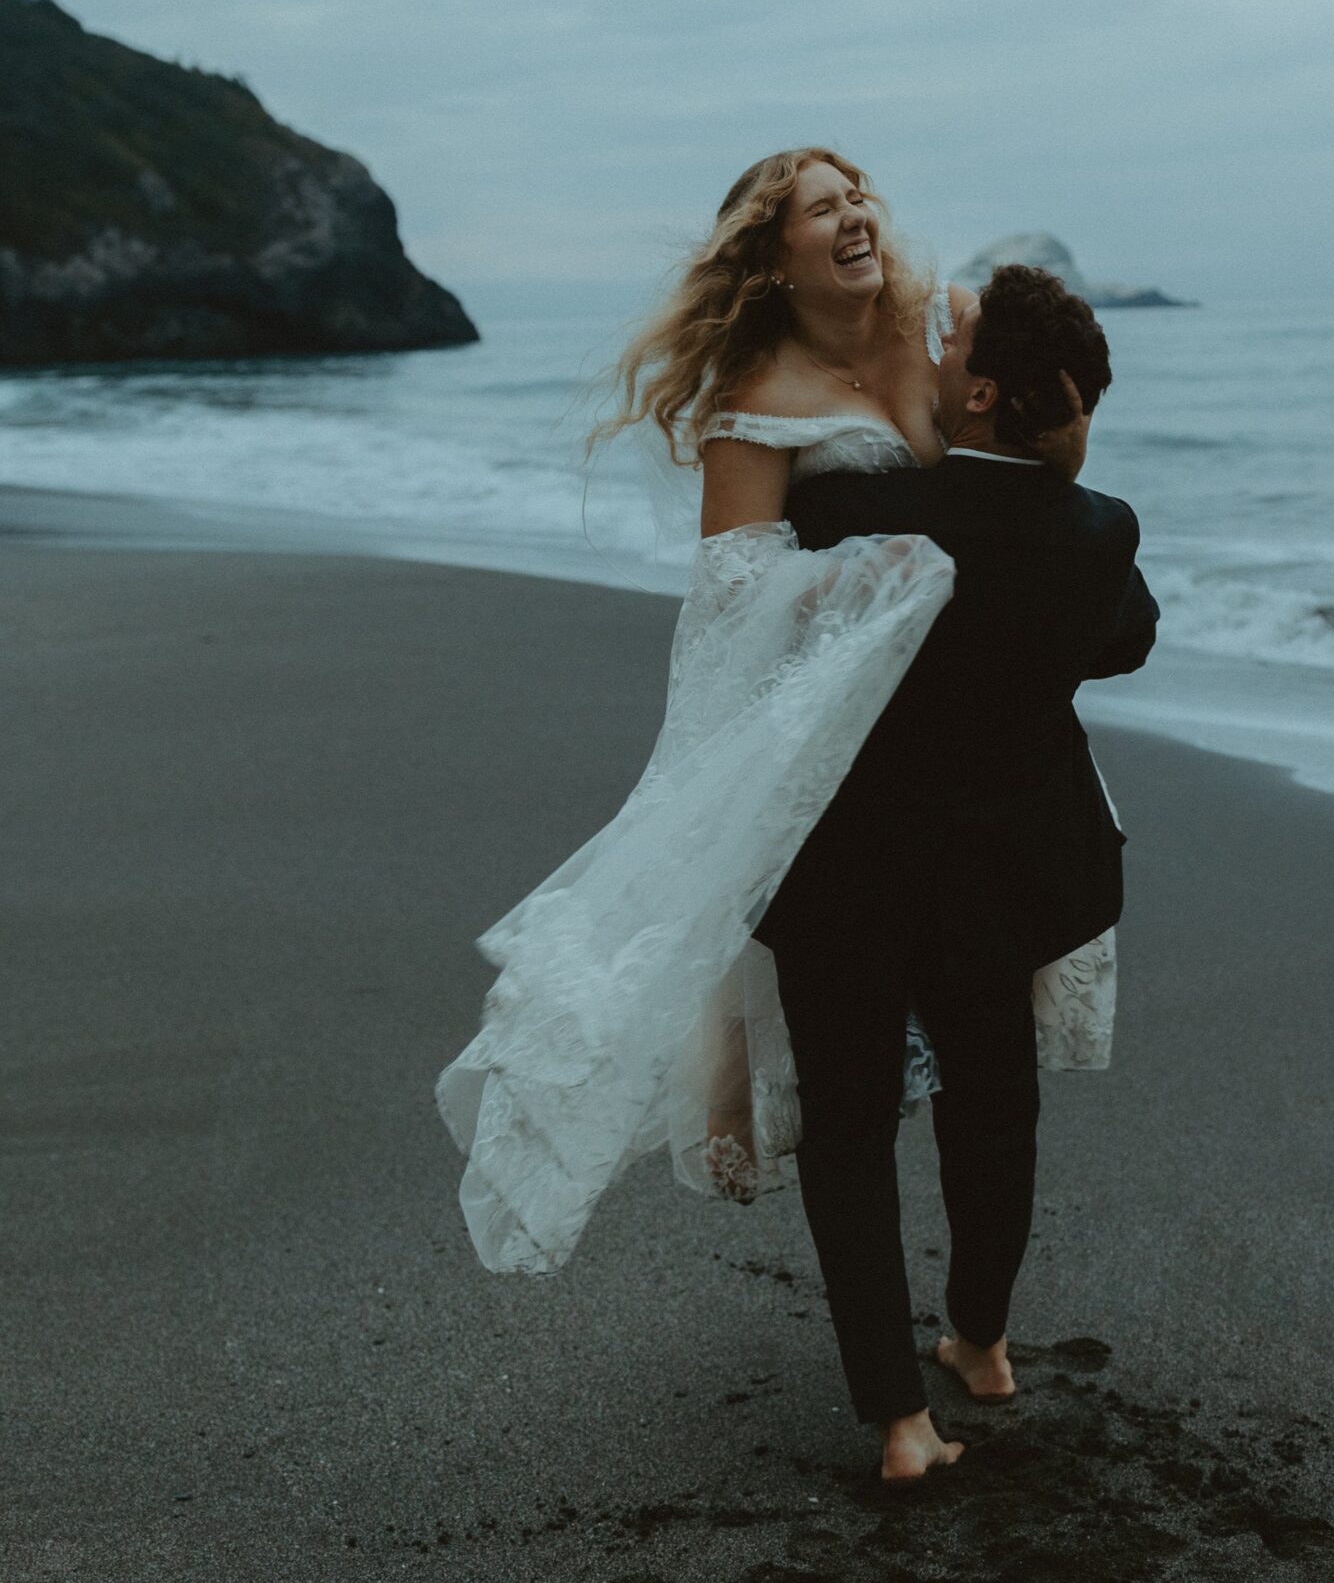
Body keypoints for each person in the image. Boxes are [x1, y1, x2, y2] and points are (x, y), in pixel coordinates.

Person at [435, 153, 1150, 1478]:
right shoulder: (754, 413)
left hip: (959, 808)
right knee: (877, 1104)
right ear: (772, 255)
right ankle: (916, 1390)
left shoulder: (933, 348)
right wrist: (856, 595)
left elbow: (1016, 491)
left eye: (859, 190)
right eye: (822, 204)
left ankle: (942, 1369)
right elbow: (727, 622)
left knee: (966, 1093)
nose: (856, 212)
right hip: (851, 815)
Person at [752, 265, 1158, 1477]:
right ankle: (979, 1342)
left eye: (954, 338)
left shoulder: (859, 507)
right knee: (993, 1102)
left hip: (852, 868)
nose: (932, 343)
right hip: (1005, 871)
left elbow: (768, 605)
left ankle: (898, 1419)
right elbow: (1125, 642)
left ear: (979, 394)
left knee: (851, 1128)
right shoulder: (1096, 528)